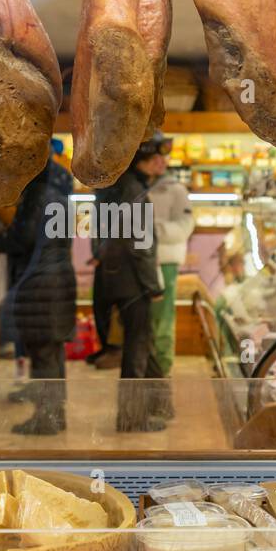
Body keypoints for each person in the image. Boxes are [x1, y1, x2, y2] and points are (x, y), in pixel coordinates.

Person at [0, 157, 78, 435]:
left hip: (39, 284)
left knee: (42, 352)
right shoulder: (61, 199)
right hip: (60, 280)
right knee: (52, 351)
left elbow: (23, 239)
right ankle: (56, 412)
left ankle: (46, 417)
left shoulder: (38, 198)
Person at [95, 138, 171, 432]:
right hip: (133, 281)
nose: (161, 163)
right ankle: (131, 419)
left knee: (143, 343)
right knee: (136, 351)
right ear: (141, 161)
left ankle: (160, 405)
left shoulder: (116, 187)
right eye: (155, 158)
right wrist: (153, 285)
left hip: (116, 278)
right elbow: (140, 245)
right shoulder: (134, 191)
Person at [147, 135, 195, 375]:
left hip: (165, 261)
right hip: (142, 262)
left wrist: (153, 231)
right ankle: (148, 366)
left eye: (162, 157)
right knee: (144, 320)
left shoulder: (176, 190)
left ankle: (162, 367)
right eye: (155, 157)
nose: (160, 162)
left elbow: (185, 226)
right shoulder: (137, 186)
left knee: (163, 319)